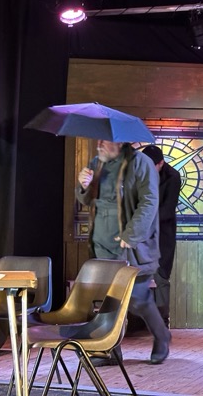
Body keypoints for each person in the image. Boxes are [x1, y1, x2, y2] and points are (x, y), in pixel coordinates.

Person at [77, 140, 172, 365]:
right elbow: (87, 199)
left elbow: (149, 202)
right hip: (102, 241)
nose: (99, 144)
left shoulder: (141, 163)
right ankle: (110, 350)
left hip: (130, 244)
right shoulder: (97, 162)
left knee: (138, 297)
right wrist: (84, 186)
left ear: (119, 142)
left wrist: (131, 235)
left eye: (105, 141)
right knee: (108, 299)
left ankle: (162, 335)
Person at [141, 145, 182, 329]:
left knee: (161, 276)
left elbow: (167, 210)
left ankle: (162, 323)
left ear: (161, 163)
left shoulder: (173, 177)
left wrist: (144, 219)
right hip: (141, 233)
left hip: (163, 233)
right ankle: (136, 323)